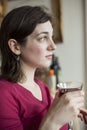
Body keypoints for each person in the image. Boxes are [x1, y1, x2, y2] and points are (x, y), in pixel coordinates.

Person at [0, 5, 85, 130]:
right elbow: (52, 122)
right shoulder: (3, 95)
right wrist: (54, 121)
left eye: (52, 37)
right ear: (15, 47)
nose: (53, 46)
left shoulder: (42, 87)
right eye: (43, 38)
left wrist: (70, 116)